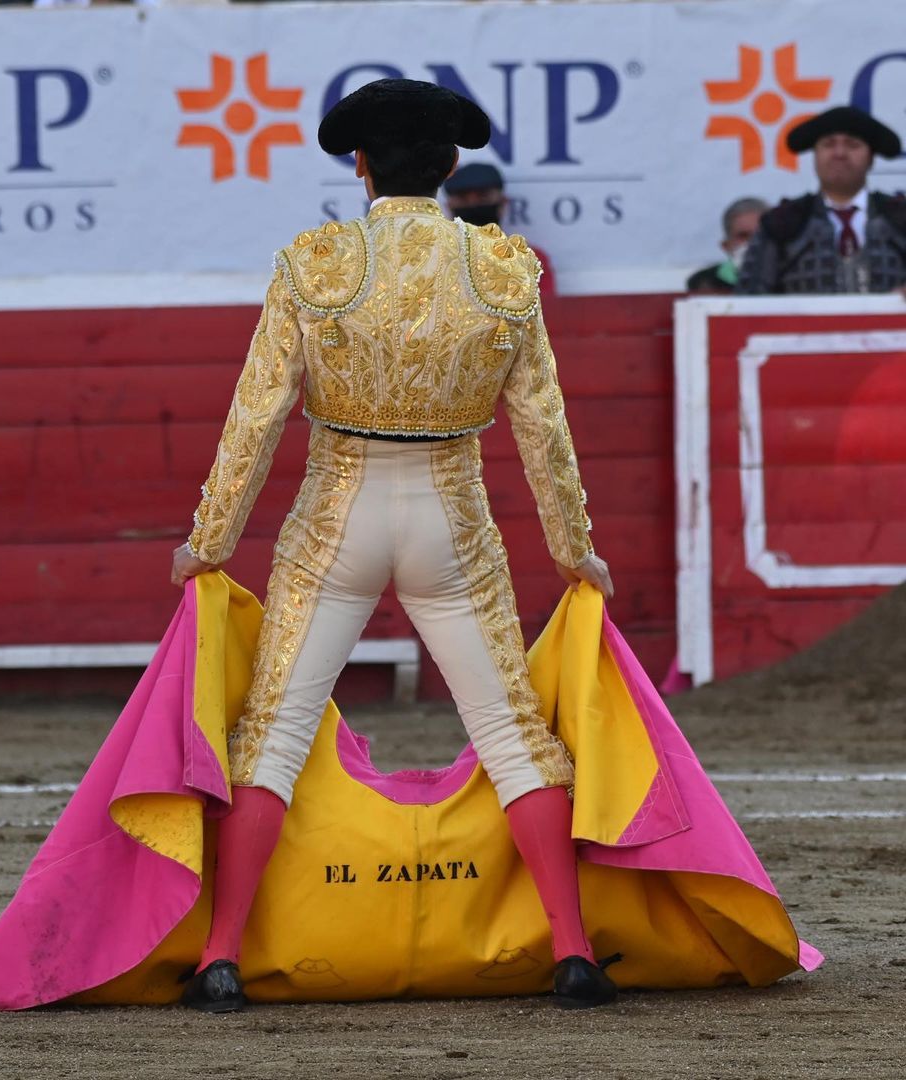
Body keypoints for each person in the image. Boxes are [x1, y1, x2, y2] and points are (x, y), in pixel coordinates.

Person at [170, 78, 619, 1012]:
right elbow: (543, 424)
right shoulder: (504, 270)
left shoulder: (315, 263)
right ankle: (573, 953)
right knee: (513, 734)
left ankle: (220, 958)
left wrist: (209, 541)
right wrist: (574, 548)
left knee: (275, 731)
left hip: (336, 517)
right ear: (451, 166)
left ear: (359, 165)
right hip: (453, 520)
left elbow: (257, 414)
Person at [738, 105, 906, 294]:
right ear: (815, 155)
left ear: (871, 158)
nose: (839, 153)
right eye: (828, 144)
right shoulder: (782, 223)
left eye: (852, 145)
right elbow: (750, 298)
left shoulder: (900, 217)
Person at [443, 161, 557, 301]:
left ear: (503, 203)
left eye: (483, 197)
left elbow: (544, 308)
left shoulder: (529, 260)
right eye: (462, 198)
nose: (473, 204)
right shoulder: (436, 259)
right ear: (449, 206)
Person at [686, 197, 768, 294]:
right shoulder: (703, 283)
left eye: (761, 235)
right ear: (726, 246)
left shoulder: (784, 281)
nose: (753, 242)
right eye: (743, 236)